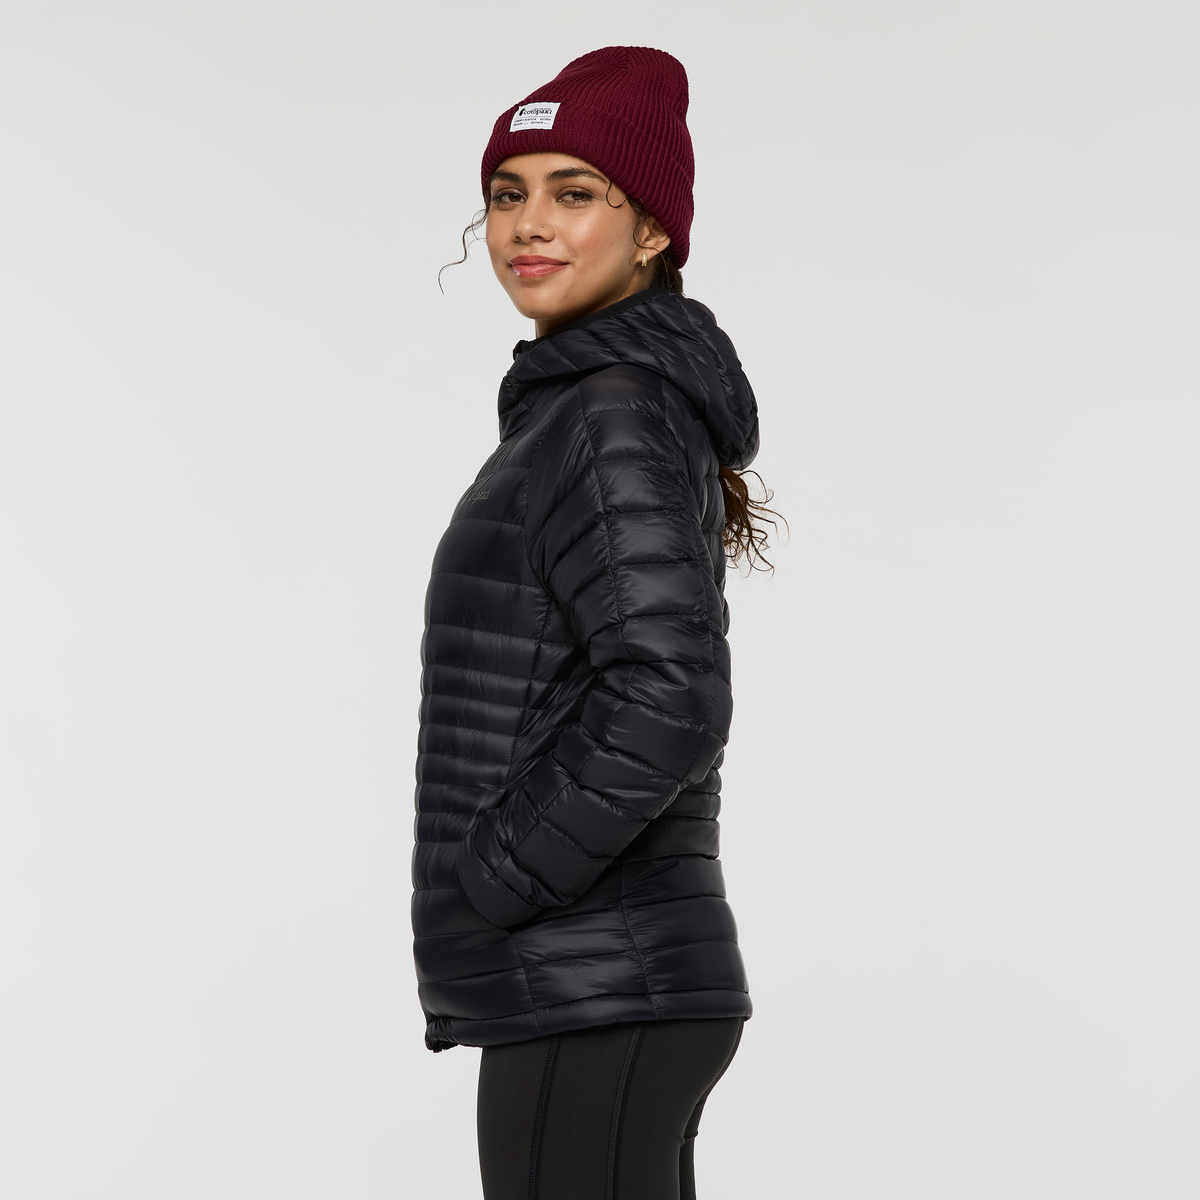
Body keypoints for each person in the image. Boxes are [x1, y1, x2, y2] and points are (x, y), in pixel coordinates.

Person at [412, 46, 775, 1200]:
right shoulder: (584, 408)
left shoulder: (609, 411)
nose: (529, 223)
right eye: (507, 193)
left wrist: (502, 874)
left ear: (652, 229)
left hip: (595, 981)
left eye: (575, 192)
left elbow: (672, 696)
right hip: (604, 982)